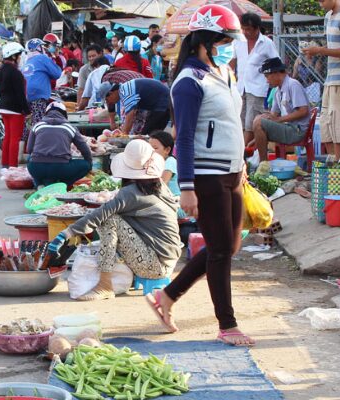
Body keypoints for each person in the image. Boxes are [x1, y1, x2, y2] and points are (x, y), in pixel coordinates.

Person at [153, 4, 254, 347]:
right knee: (221, 250)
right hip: (206, 176)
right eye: (225, 39)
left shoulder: (223, 72)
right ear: (206, 40)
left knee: (227, 245)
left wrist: (240, 163)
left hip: (232, 172)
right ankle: (227, 324)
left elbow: (229, 123)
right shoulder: (188, 81)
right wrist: (187, 188)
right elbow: (183, 136)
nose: (229, 45)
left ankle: (167, 295)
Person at [49, 139, 181, 300]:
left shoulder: (131, 192)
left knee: (108, 220)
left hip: (155, 265)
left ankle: (105, 285)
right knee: (113, 218)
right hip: (168, 260)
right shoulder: (158, 185)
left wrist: (65, 234)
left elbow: (99, 215)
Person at [302, 0, 340, 159]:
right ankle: (333, 163)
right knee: (326, 124)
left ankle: (339, 167)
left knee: (339, 125)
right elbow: (331, 47)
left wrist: (320, 50)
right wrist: (316, 52)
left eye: (322, 0)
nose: (320, 4)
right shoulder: (328, 17)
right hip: (330, 77)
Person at [232, 12, 279, 150]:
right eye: (243, 28)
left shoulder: (267, 43)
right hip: (240, 88)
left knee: (250, 125)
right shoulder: (238, 41)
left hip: (258, 89)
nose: (246, 32)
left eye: (249, 29)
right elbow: (232, 62)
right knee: (240, 123)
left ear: (257, 28)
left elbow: (276, 63)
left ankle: (242, 154)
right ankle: (242, 153)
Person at [250, 57, 312, 162]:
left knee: (259, 121)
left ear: (276, 73)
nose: (267, 80)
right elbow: (273, 115)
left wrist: (279, 120)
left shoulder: (293, 85)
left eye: (267, 76)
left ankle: (263, 164)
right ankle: (263, 164)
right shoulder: (277, 91)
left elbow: (303, 110)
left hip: (297, 131)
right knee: (259, 119)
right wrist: (257, 135)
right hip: (287, 127)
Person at [26, 102, 92, 187]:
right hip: (60, 168)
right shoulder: (70, 127)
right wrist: (89, 163)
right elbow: (85, 150)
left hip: (37, 168)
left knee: (29, 158)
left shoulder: (37, 126)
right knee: (86, 165)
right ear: (64, 114)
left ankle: (39, 184)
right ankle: (63, 185)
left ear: (46, 113)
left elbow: (29, 149)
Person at [0, 42, 30, 170]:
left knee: (8, 137)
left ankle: (5, 165)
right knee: (15, 138)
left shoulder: (1, 71)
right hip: (15, 110)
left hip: (4, 108)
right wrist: (26, 110)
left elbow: (0, 90)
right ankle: (12, 166)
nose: (20, 58)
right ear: (14, 56)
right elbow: (20, 94)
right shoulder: (15, 73)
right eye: (19, 55)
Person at [96, 78, 170, 135]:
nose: (108, 102)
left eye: (107, 100)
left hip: (162, 104)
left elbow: (130, 115)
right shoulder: (124, 88)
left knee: (146, 137)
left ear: (111, 93)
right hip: (163, 103)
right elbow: (112, 106)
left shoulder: (125, 92)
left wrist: (123, 136)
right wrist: (112, 122)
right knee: (155, 136)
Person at [22, 38, 62, 133]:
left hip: (27, 95)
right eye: (42, 46)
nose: (44, 48)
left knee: (31, 122)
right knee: (39, 123)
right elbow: (57, 73)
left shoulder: (27, 61)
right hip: (38, 94)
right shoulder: (42, 58)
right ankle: (38, 145)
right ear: (38, 48)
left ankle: (30, 145)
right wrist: (55, 57)